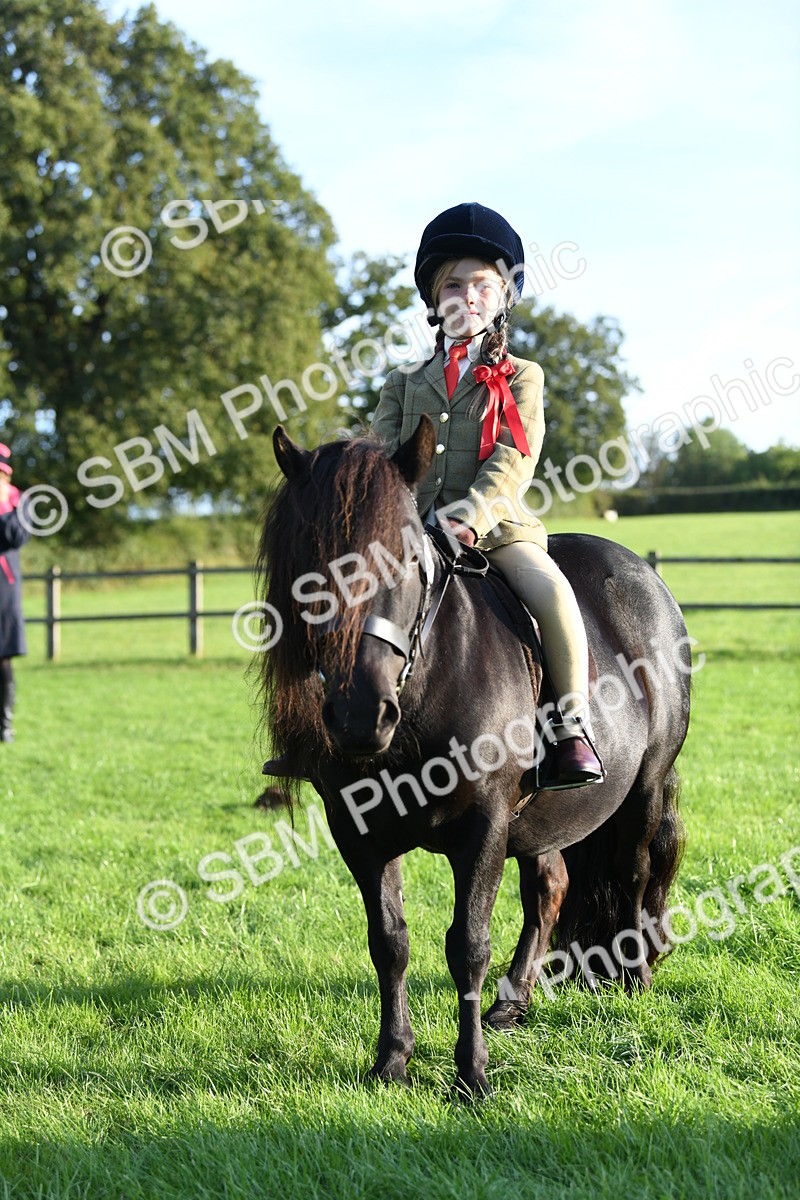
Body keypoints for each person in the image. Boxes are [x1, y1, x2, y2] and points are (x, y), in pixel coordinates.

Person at [370, 202, 604, 791]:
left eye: (482, 285)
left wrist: (469, 517)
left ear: (503, 297)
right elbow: (381, 458)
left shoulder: (523, 376)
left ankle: (571, 728)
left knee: (552, 593)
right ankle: (317, 733)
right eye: (453, 284)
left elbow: (513, 458)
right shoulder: (402, 383)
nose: (467, 296)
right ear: (433, 299)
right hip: (409, 532)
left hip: (495, 531)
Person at [0, 443, 31, 743]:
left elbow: (15, 537)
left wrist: (3, 505)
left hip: (3, 590)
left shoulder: (19, 502)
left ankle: (4, 725)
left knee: (3, 660)